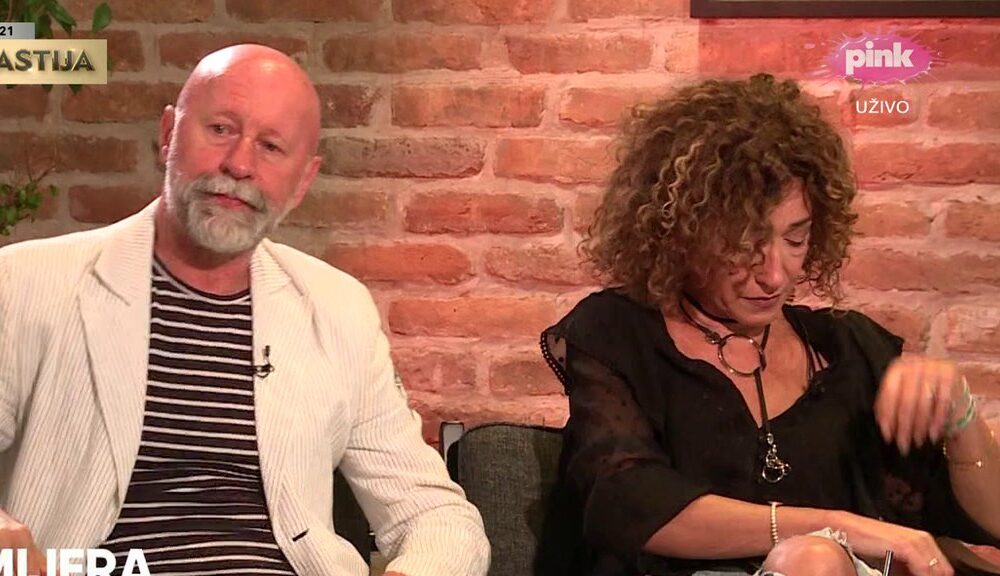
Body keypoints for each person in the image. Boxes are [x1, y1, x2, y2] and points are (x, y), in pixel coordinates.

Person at [0, 44, 489, 576]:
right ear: (168, 135)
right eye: (220, 129)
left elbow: (432, 512)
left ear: (303, 181)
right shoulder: (26, 283)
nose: (239, 165)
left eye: (271, 147)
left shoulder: (338, 309)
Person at [540, 74, 1000, 576]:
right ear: (681, 235)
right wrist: (833, 528)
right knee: (814, 559)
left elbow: (991, 522)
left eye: (795, 240)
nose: (775, 275)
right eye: (743, 245)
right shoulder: (618, 334)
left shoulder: (849, 350)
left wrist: (961, 415)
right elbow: (630, 503)